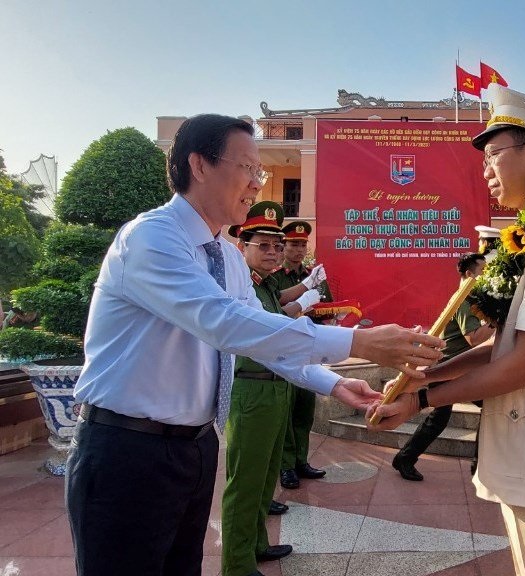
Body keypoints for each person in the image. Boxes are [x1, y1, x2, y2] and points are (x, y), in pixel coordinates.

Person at [66, 114, 444, 576]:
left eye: (260, 173)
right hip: (126, 449)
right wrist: (359, 341)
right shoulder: (151, 237)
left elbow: (261, 333)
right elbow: (225, 325)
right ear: (200, 165)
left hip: (195, 447)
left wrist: (332, 384)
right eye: (248, 168)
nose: (256, 184)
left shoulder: (225, 253)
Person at [368, 85, 525, 576]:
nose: (485, 169)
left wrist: (420, 402)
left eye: (494, 154)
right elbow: (505, 345)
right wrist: (430, 374)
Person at [221, 200, 325, 573]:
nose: (272, 252)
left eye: (276, 246)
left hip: (276, 387)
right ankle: (236, 565)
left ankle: (257, 546)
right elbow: (270, 330)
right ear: (242, 246)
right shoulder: (241, 285)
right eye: (262, 245)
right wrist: (305, 305)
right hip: (252, 390)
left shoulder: (263, 287)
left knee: (265, 480)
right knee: (244, 484)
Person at [391, 253, 494, 481]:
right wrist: (498, 320)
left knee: (485, 407)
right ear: (469, 274)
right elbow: (474, 338)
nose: (486, 275)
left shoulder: (469, 297)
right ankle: (407, 458)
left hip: (456, 367)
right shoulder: (465, 299)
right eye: (483, 271)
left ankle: (478, 464)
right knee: (443, 416)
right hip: (448, 367)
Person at [273, 220, 332, 490]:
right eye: (293, 244)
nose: (298, 249)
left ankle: (300, 460)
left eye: (302, 244)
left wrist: (332, 317)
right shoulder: (274, 277)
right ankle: (285, 467)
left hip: (309, 352)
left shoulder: (315, 275)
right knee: (285, 413)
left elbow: (327, 307)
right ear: (284, 246)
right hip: (284, 353)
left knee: (304, 410)